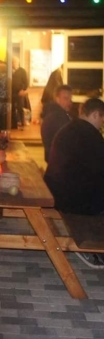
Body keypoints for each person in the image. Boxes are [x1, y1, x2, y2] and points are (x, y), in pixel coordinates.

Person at [44, 98, 104, 268]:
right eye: (102, 119)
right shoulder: (90, 135)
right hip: (74, 200)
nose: (101, 124)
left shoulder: (68, 129)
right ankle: (91, 244)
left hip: (58, 190)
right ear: (95, 114)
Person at [40, 84, 72, 162]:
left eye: (70, 99)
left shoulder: (51, 112)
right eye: (65, 98)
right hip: (59, 160)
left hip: (53, 158)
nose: (69, 102)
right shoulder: (58, 117)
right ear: (57, 99)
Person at [11, 56, 28, 130]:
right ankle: (14, 124)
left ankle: (22, 123)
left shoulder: (22, 71)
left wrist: (23, 90)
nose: (13, 63)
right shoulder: (10, 71)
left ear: (18, 62)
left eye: (14, 62)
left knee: (20, 107)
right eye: (12, 62)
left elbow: (26, 82)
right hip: (11, 93)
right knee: (12, 108)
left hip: (19, 92)